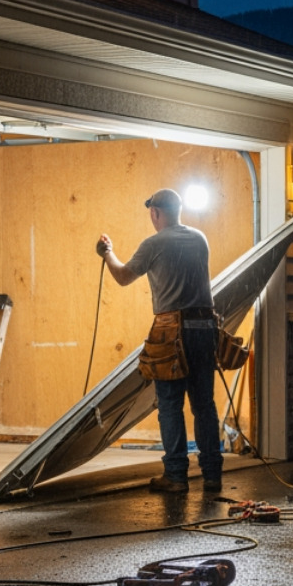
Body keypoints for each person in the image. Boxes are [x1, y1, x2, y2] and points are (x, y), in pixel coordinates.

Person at [97, 188, 221, 493]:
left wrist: (107, 253)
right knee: (204, 405)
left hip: (171, 333)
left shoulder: (154, 243)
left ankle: (176, 476)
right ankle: (212, 474)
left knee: (170, 404)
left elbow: (124, 276)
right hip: (205, 328)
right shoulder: (199, 238)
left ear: (155, 213)